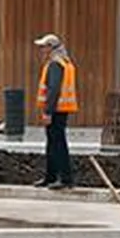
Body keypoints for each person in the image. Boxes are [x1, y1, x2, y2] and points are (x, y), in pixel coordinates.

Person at [34, 32, 80, 189]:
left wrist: (48, 111)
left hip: (56, 110)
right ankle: (51, 176)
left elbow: (54, 89)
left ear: (50, 48)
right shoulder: (65, 63)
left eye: (43, 47)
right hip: (60, 109)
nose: (41, 50)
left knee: (57, 143)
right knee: (53, 143)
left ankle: (64, 178)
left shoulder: (55, 64)